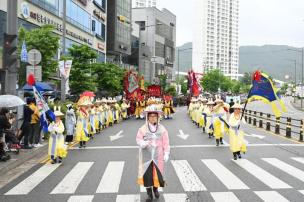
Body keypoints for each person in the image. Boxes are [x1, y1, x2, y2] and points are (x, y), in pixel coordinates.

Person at [136, 105, 170, 202]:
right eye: (151, 116)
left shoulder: (162, 129)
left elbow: (166, 142)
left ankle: (155, 190)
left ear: (158, 117)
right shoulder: (143, 128)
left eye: (155, 116)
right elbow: (138, 139)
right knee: (147, 175)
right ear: (147, 117)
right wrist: (143, 143)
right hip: (146, 155)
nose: (153, 118)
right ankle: (149, 194)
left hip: (158, 155)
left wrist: (166, 153)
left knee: (157, 175)